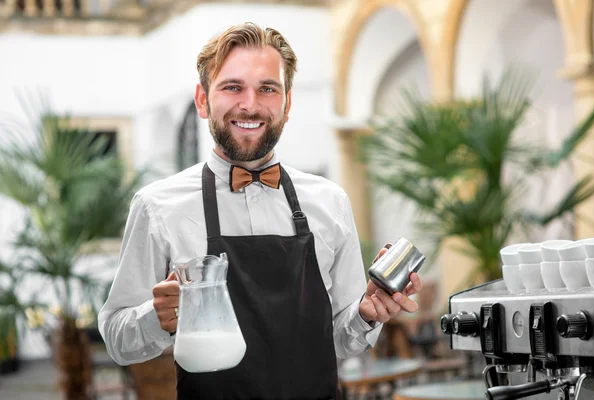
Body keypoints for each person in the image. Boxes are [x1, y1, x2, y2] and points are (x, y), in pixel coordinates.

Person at [98, 22, 423, 400]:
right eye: (232, 87)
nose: (250, 104)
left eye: (267, 88)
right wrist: (158, 319)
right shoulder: (157, 207)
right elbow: (117, 339)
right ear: (203, 100)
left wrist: (366, 314)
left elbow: (339, 341)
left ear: (287, 104)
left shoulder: (330, 202)